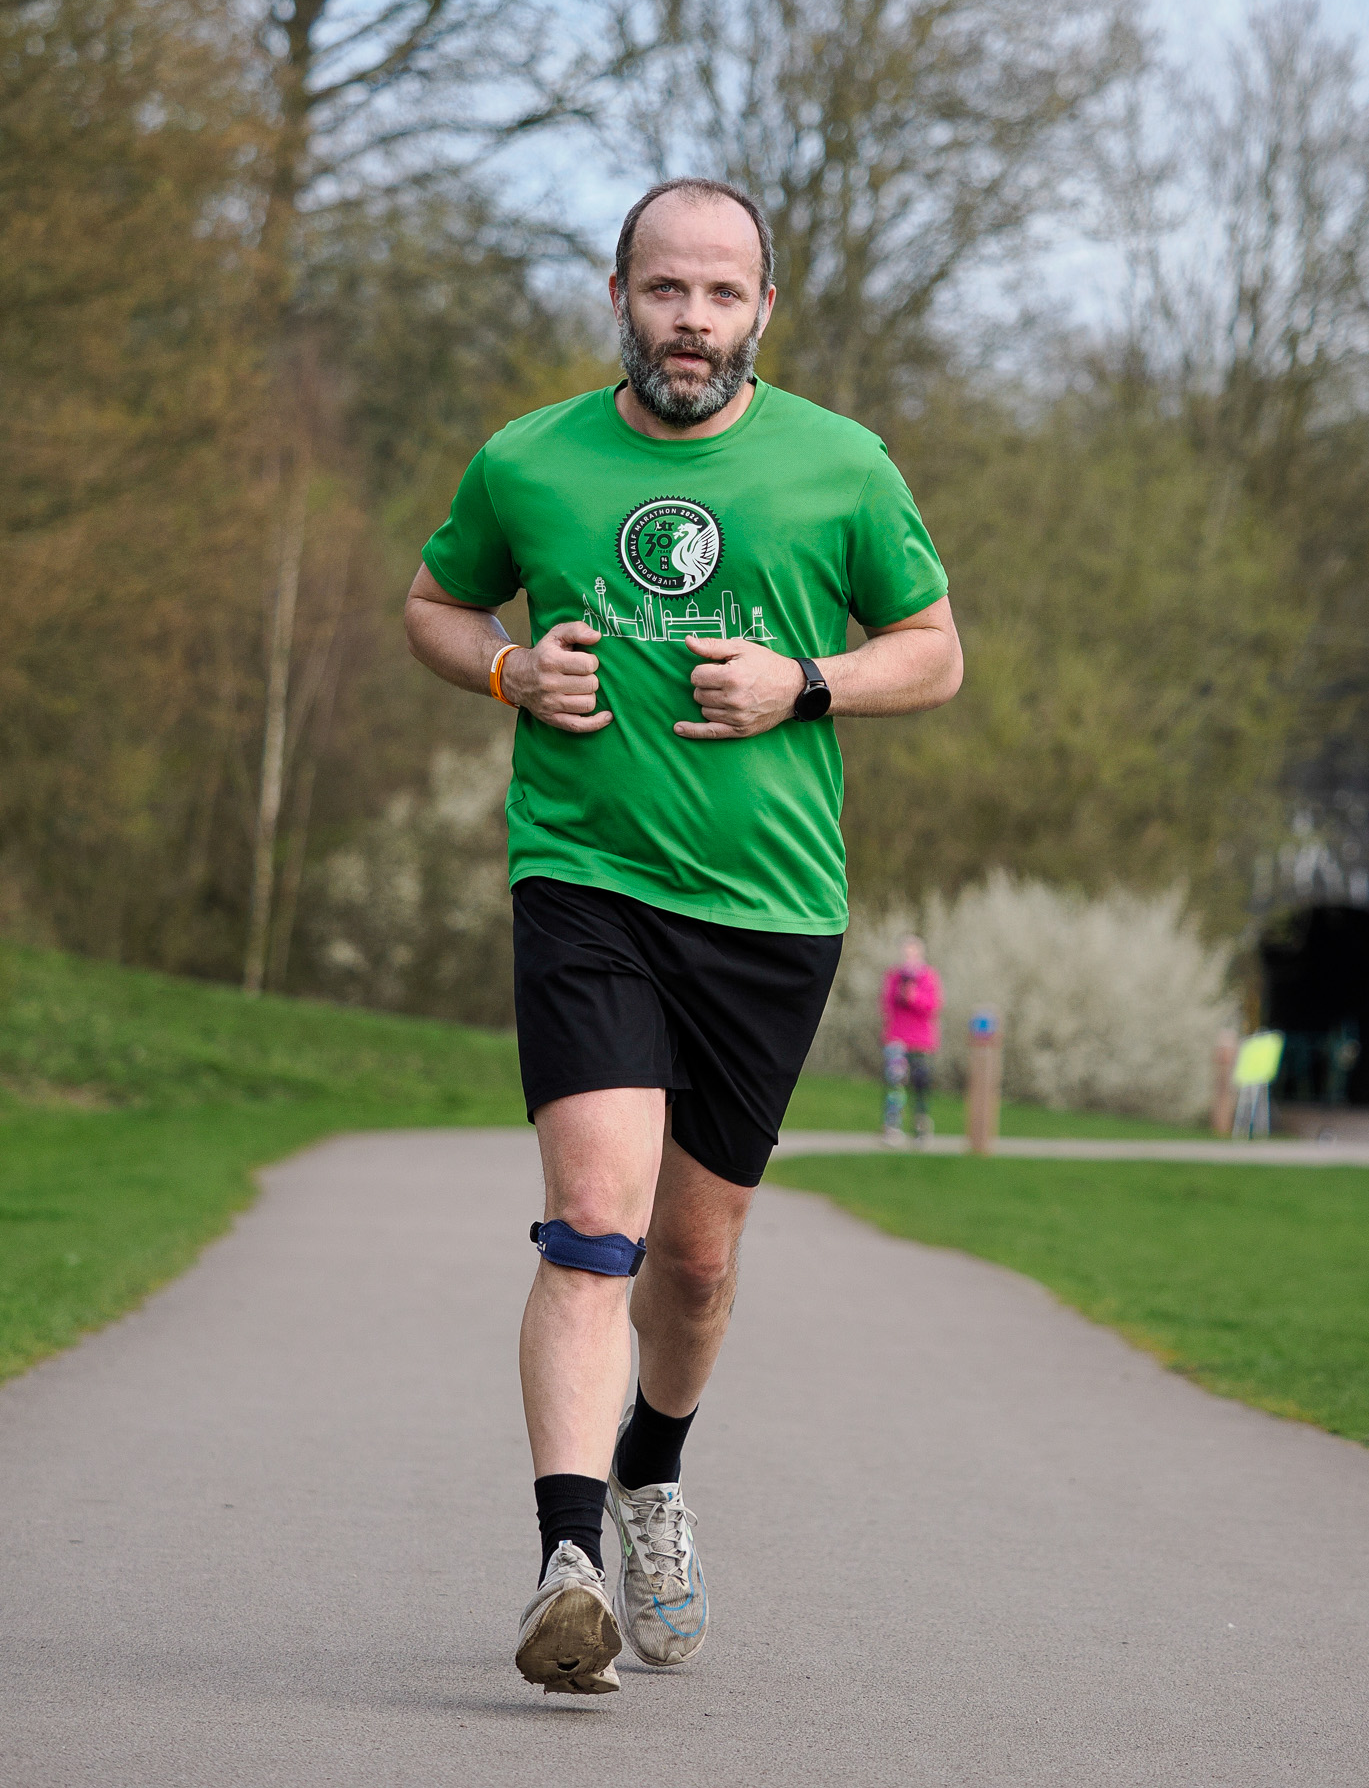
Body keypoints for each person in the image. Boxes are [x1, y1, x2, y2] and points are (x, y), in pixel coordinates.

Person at [404, 177, 961, 1696]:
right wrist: (511, 671)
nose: (692, 322)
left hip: (772, 910)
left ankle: (652, 1474)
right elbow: (434, 607)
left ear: (763, 308)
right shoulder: (530, 458)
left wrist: (810, 685)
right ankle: (564, 1565)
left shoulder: (842, 466)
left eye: (722, 295)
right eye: (667, 291)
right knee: (597, 1222)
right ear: (620, 296)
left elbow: (938, 652)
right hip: (584, 878)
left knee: (696, 1267)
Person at [880, 937, 943, 1146]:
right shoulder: (894, 976)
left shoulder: (929, 977)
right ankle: (892, 1127)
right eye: (906, 954)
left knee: (921, 1086)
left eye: (913, 954)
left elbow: (934, 1006)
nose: (909, 959)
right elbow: (886, 1004)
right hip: (897, 1038)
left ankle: (921, 1128)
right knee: (895, 1084)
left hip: (921, 1042)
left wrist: (914, 997)